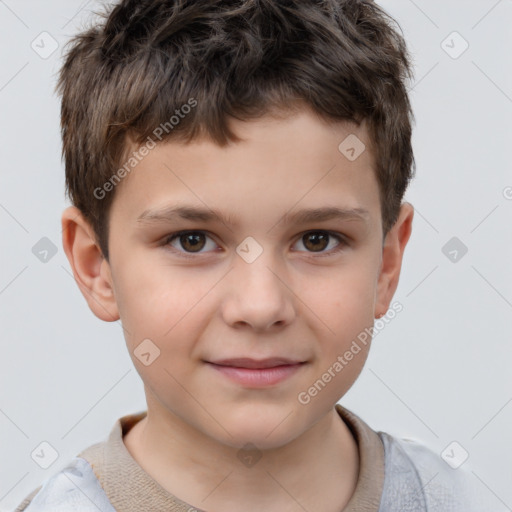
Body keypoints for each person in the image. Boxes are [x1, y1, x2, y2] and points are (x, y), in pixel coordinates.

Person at [14, 0, 493, 510]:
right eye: (192, 240)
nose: (261, 306)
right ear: (96, 267)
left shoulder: (454, 499)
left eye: (317, 239)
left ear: (387, 263)